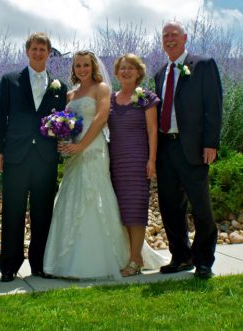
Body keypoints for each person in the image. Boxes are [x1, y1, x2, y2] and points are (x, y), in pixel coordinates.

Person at [43, 51, 167, 279]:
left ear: (93, 67)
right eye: (78, 65)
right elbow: (67, 123)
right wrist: (63, 139)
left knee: (97, 196)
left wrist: (81, 147)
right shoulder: (69, 95)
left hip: (94, 150)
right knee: (71, 197)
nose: (82, 69)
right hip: (74, 154)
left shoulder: (102, 89)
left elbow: (100, 119)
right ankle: (65, 260)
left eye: (86, 65)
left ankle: (118, 258)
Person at [0, 32, 68, 282]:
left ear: (49, 53)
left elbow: (62, 122)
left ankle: (40, 263)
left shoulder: (59, 86)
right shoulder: (10, 80)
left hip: (45, 158)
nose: (38, 53)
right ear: (27, 51)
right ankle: (9, 266)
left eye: (43, 49)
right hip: (16, 156)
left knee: (42, 212)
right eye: (34, 49)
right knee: (12, 211)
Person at [155, 21, 222, 279]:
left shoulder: (203, 65)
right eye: (165, 36)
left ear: (185, 38)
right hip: (165, 148)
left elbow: (213, 106)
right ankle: (181, 257)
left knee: (201, 206)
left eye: (174, 35)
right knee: (170, 206)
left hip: (193, 148)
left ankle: (204, 260)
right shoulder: (160, 72)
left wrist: (211, 143)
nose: (169, 39)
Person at [108, 53, 159, 276]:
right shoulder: (109, 99)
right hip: (115, 161)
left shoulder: (146, 97)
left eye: (131, 68)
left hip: (138, 160)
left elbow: (152, 130)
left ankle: (136, 259)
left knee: (136, 209)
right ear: (117, 73)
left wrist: (152, 160)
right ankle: (127, 255)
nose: (126, 71)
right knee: (120, 210)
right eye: (122, 68)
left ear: (139, 72)